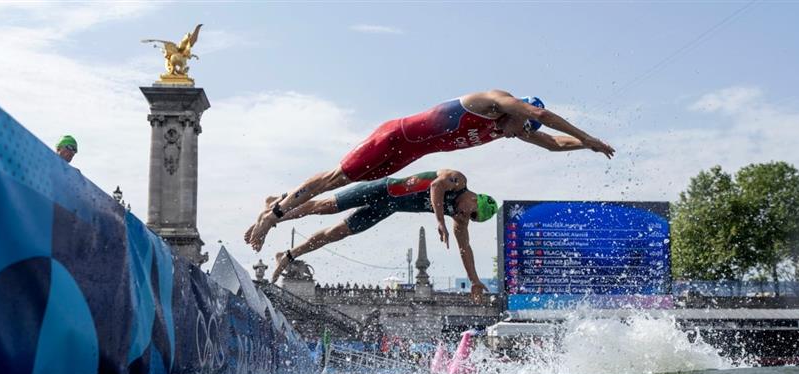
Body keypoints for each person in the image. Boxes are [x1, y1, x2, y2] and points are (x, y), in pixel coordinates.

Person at [245, 89, 615, 251]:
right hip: (393, 137)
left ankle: (278, 204)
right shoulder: (492, 103)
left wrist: (589, 145)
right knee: (336, 179)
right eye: (515, 128)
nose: (510, 136)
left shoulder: (510, 126)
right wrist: (587, 132)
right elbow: (541, 117)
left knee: (349, 183)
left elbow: (551, 142)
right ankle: (272, 215)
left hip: (406, 156)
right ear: (515, 113)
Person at [268, 169, 496, 304]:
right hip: (382, 189)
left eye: (472, 219)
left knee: (335, 234)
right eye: (471, 213)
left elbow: (465, 249)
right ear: (475, 199)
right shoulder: (458, 180)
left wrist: (475, 280)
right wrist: (439, 220)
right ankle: (278, 209)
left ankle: (287, 255)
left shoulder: (460, 217)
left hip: (386, 208)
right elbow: (436, 186)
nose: (466, 216)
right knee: (326, 206)